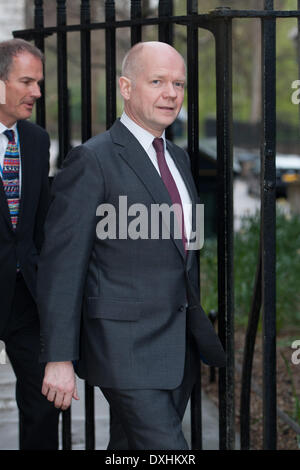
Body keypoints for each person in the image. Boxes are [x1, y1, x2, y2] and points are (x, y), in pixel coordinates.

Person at [37, 41, 226, 450]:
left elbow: (182, 253)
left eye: (178, 83)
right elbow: (62, 266)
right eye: (157, 81)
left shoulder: (178, 158)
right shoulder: (93, 159)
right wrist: (58, 357)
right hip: (124, 352)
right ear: (125, 87)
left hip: (178, 351)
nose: (171, 93)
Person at [0, 39, 60, 449]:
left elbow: (39, 226)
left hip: (27, 300)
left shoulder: (37, 141)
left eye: (39, 82)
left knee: (43, 408)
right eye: (27, 81)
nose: (37, 92)